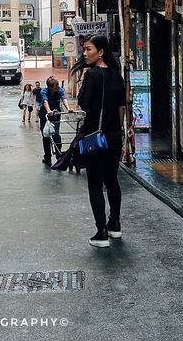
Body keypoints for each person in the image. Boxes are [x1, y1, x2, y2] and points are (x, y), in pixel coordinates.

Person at [74, 36, 127, 248]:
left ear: (101, 51)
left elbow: (84, 104)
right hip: (114, 136)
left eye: (88, 49)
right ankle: (115, 224)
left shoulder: (92, 75)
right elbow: (121, 107)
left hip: (95, 138)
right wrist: (121, 131)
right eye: (84, 50)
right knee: (112, 180)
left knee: (95, 183)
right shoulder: (117, 75)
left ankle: (101, 232)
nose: (85, 54)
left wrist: (82, 86)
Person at [38, 77, 68, 165]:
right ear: (50, 87)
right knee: (46, 135)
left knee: (56, 134)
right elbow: (45, 101)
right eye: (56, 85)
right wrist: (48, 111)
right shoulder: (44, 91)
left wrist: (69, 108)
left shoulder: (60, 90)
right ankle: (47, 157)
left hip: (56, 115)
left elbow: (64, 98)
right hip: (45, 115)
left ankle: (59, 156)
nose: (58, 87)